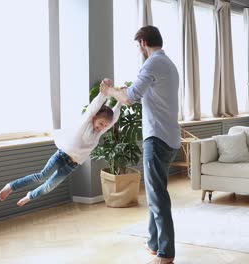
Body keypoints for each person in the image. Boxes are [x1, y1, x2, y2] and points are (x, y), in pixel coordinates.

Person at [100, 25, 180, 264]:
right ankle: (154, 243)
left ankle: (166, 253)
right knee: (157, 191)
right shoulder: (169, 64)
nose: (139, 50)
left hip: (157, 138)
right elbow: (143, 93)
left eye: (138, 45)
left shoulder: (152, 63)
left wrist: (109, 90)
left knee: (157, 195)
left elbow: (128, 99)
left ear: (144, 43)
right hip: (169, 137)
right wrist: (124, 91)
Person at [0, 90, 121, 206]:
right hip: (61, 156)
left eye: (104, 126)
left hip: (72, 165)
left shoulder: (99, 132)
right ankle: (11, 186)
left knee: (49, 186)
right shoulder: (86, 122)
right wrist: (103, 93)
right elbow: (92, 108)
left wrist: (120, 102)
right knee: (42, 176)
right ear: (94, 118)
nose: (102, 127)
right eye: (100, 124)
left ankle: (30, 196)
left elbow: (113, 118)